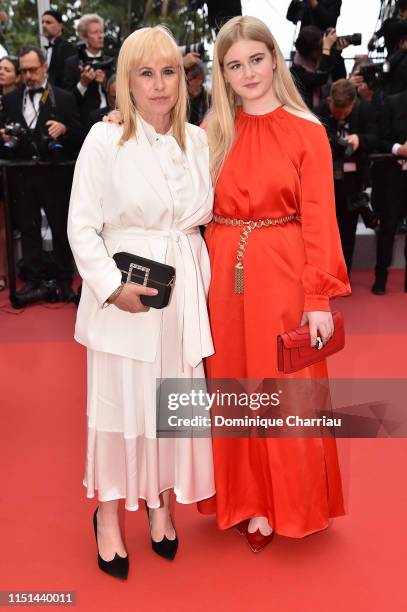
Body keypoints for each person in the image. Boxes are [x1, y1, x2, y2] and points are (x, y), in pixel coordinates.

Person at [196, 16, 351, 551]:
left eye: (256, 59)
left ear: (274, 58)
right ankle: (244, 499)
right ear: (223, 73)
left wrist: (318, 299)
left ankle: (284, 503)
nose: (248, 73)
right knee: (231, 387)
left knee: (283, 390)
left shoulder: (307, 131)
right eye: (234, 65)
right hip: (221, 276)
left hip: (282, 274)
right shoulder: (211, 132)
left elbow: (320, 221)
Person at [67, 25, 215, 580]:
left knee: (168, 407)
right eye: (145, 73)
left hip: (182, 302)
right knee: (117, 406)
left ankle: (161, 504)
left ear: (184, 76)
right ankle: (108, 514)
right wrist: (111, 287)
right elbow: (81, 226)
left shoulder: (197, 141)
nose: (159, 85)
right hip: (123, 297)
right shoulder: (104, 140)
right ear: (125, 81)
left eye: (169, 71)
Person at [0, 46, 83, 307]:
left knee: (60, 228)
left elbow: (81, 135)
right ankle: (34, 281)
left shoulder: (64, 97)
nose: (28, 75)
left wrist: (65, 129)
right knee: (28, 228)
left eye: (33, 69)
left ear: (44, 67)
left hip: (55, 175)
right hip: (22, 175)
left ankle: (63, 280)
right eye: (23, 70)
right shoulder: (11, 99)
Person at [316, 79, 377, 274]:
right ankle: (324, 273)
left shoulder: (365, 111)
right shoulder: (319, 113)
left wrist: (359, 139)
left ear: (354, 104)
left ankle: (343, 276)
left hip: (353, 182)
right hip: (325, 182)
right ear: (329, 100)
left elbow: (376, 138)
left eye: (345, 112)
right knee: (323, 231)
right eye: (336, 110)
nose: (340, 115)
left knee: (347, 231)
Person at [372, 86, 407, 294]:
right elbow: (379, 139)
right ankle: (380, 278)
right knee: (388, 227)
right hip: (393, 176)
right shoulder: (393, 102)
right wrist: (398, 150)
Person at [63, 14, 114, 125]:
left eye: (101, 32)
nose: (101, 36)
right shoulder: (71, 63)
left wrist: (106, 83)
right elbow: (67, 101)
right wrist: (83, 84)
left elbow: (121, 96)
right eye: (95, 32)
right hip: (84, 124)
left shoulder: (112, 62)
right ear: (83, 37)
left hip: (112, 120)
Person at [290, 25, 347, 110]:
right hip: (308, 113)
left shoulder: (324, 59)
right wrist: (326, 49)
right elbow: (320, 79)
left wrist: (336, 52)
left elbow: (341, 78)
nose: (322, 48)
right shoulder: (296, 70)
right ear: (310, 50)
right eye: (321, 45)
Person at [41, 9, 76, 88]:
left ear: (60, 26)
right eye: (42, 22)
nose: (44, 25)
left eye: (48, 22)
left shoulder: (66, 47)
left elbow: (68, 78)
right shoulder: (45, 50)